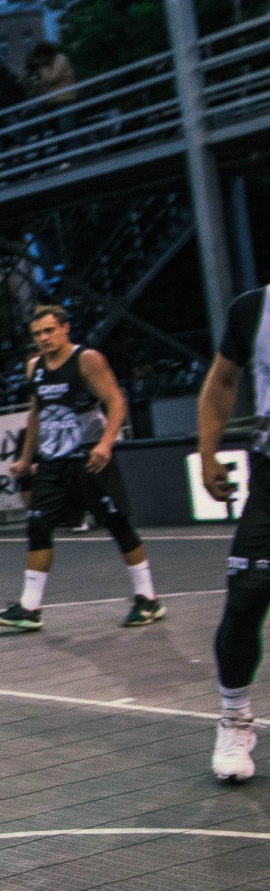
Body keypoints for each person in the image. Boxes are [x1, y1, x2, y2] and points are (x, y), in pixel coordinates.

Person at [0, 306, 162, 631]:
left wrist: (105, 444)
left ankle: (148, 597)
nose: (43, 338)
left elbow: (116, 402)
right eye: (37, 334)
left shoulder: (87, 359)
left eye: (49, 331)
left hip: (89, 457)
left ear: (65, 328)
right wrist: (25, 458)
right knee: (38, 526)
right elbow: (36, 413)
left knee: (117, 525)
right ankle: (29, 607)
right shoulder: (34, 367)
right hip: (52, 462)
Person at [194, 285, 270, 782]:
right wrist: (208, 452)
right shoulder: (254, 309)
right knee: (247, 595)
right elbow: (222, 381)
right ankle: (235, 717)